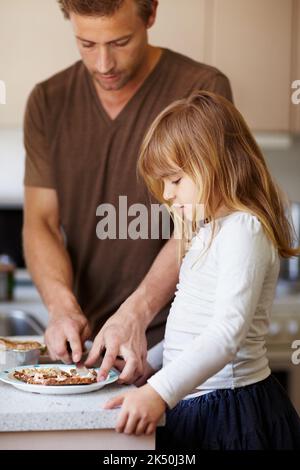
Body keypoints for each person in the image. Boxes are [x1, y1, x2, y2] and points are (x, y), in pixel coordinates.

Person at [23, 0, 233, 383]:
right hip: (93, 349)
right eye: (86, 44)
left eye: (120, 42)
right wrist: (61, 306)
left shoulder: (201, 89)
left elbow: (201, 219)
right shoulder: (47, 102)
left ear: (150, 13)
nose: (103, 64)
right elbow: (40, 221)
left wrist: (137, 311)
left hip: (182, 343)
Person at [103, 91, 300, 449]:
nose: (167, 194)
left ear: (216, 163)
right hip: (198, 401)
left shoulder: (245, 229)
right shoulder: (210, 229)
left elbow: (226, 334)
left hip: (231, 412)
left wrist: (160, 391)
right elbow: (191, 323)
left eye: (175, 180)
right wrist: (153, 364)